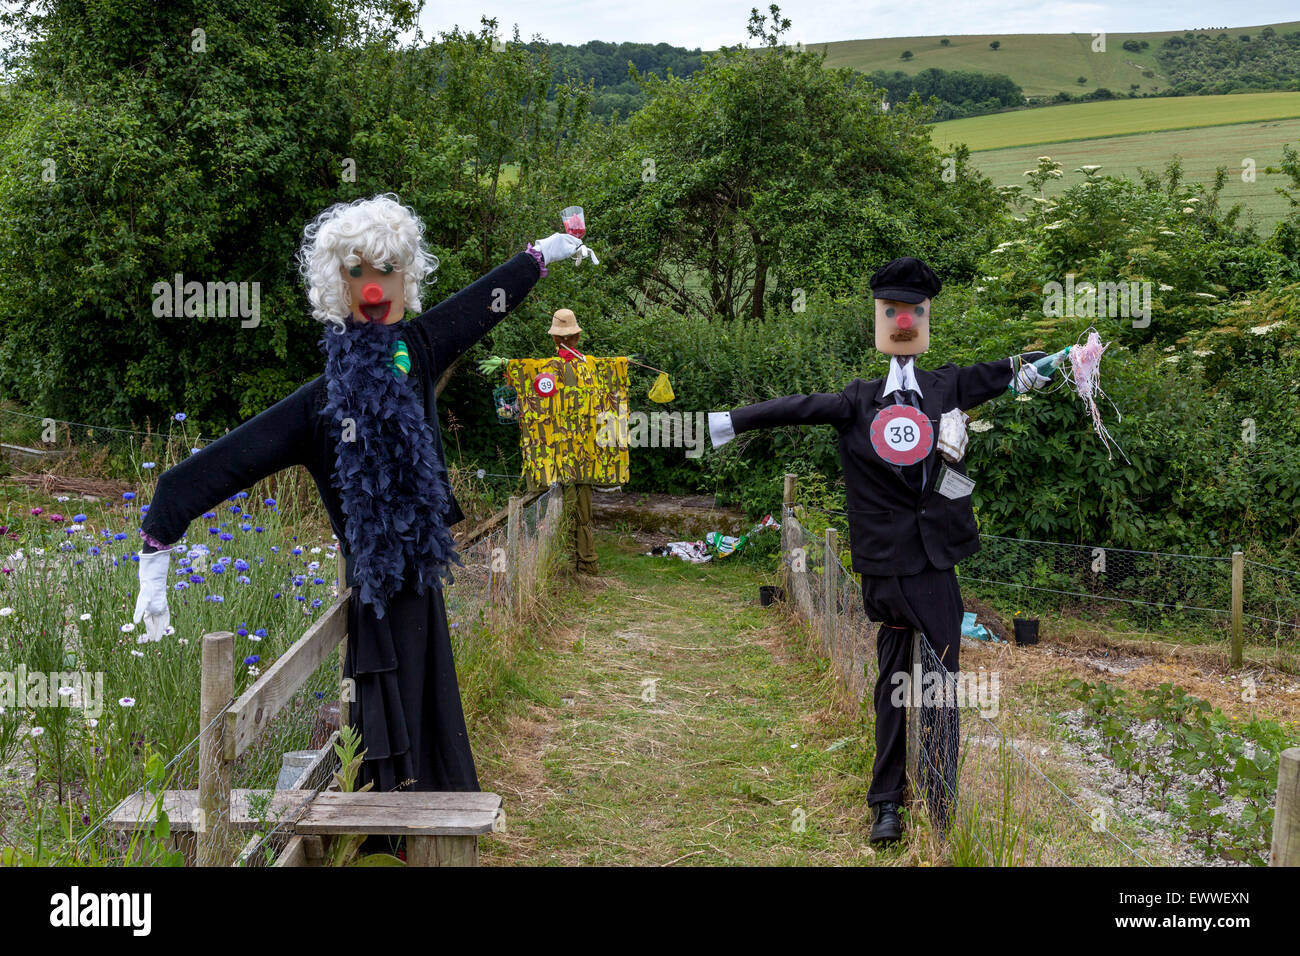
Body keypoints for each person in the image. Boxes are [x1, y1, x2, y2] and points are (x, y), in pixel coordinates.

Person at [132, 193, 596, 793]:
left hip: (421, 570)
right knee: (382, 703)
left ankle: (426, 818)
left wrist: (544, 255)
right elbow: (219, 466)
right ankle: (386, 833)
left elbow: (484, 303)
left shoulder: (421, 350)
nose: (374, 288)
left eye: (386, 271)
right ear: (339, 286)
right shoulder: (318, 404)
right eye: (357, 273)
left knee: (429, 695)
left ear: (406, 278)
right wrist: (155, 556)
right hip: (372, 582)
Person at [707, 256, 1054, 844]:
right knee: (894, 684)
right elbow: (795, 407)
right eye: (892, 310)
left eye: (912, 310)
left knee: (942, 687)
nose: (902, 321)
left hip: (937, 565)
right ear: (881, 317)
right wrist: (723, 423)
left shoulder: (947, 386)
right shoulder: (857, 400)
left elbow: (1005, 374)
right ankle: (886, 804)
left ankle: (942, 806)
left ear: (923, 318)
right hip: (887, 571)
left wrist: (1065, 361)